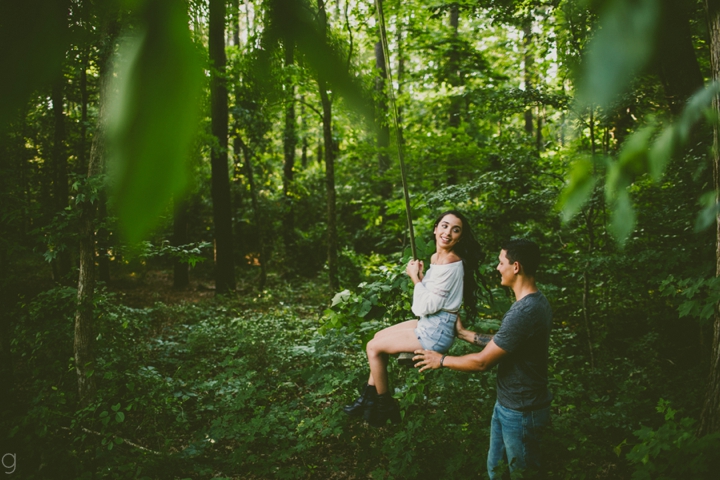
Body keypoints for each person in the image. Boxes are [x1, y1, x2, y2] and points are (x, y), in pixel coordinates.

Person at [413, 239, 552, 478]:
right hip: (508, 405)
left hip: (522, 412)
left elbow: (482, 362)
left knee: (522, 475)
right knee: (495, 472)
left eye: (501, 262)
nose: (498, 268)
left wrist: (441, 360)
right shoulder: (534, 303)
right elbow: (505, 342)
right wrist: (464, 333)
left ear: (515, 267)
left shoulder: (525, 311)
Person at [343, 210, 484, 427]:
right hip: (431, 321)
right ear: (436, 228)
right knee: (378, 336)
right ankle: (367, 397)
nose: (448, 232)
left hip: (435, 331)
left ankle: (384, 403)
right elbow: (430, 299)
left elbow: (423, 306)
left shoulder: (450, 263)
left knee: (373, 348)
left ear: (460, 237)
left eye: (456, 230)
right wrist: (421, 277)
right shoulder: (436, 259)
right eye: (444, 226)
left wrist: (414, 278)